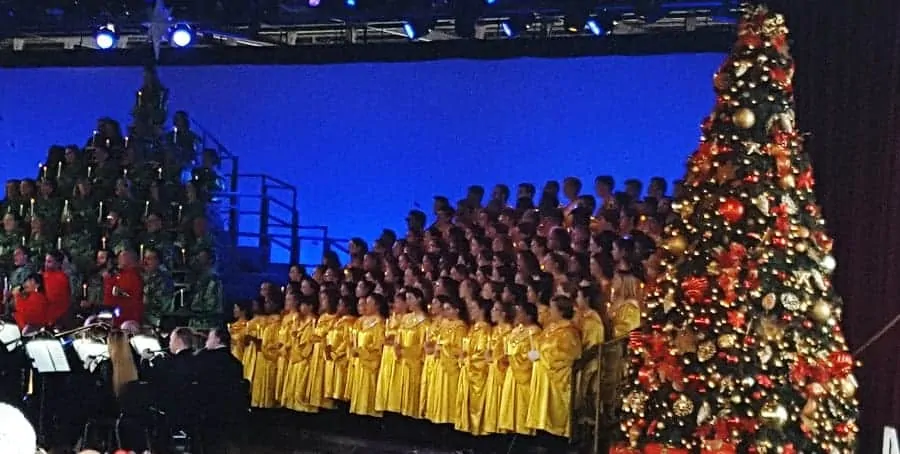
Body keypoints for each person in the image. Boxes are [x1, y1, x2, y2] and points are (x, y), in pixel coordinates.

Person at [526, 295, 582, 439]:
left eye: (552, 308)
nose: (549, 312)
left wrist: (541, 355)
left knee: (552, 417)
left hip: (555, 381)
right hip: (542, 378)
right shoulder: (550, 328)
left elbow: (566, 356)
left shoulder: (569, 332)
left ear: (561, 311)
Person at [103, 249, 144, 327]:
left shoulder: (133, 276)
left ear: (129, 259)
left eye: (122, 257)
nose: (119, 260)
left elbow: (127, 294)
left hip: (127, 317)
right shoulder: (118, 274)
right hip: (114, 316)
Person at [42, 251, 71, 327]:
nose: (46, 264)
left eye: (49, 262)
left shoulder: (62, 278)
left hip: (57, 318)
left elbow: (56, 299)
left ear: (58, 264)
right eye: (46, 261)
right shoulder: (43, 275)